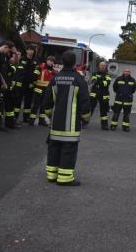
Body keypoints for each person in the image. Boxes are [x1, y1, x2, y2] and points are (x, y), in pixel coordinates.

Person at [42, 51, 91, 186]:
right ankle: (65, 178)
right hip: (71, 125)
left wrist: (49, 115)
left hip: (56, 123)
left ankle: (52, 175)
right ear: (74, 63)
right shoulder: (79, 80)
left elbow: (47, 100)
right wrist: (86, 118)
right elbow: (85, 102)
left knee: (54, 148)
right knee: (68, 150)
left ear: (62, 62)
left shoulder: (55, 78)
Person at [29, 56, 57, 126]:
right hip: (38, 89)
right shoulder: (40, 68)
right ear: (47, 61)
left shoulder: (53, 71)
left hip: (46, 91)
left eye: (52, 61)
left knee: (43, 107)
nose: (51, 62)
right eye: (50, 61)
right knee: (36, 106)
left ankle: (41, 121)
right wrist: (35, 84)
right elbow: (33, 77)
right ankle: (31, 120)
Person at [110, 67, 136, 132]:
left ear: (130, 73)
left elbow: (133, 90)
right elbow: (114, 87)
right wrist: (119, 93)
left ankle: (125, 127)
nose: (126, 72)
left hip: (128, 101)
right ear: (123, 72)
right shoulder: (118, 79)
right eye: (125, 71)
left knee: (126, 114)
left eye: (128, 71)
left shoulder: (133, 80)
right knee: (116, 114)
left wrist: (128, 94)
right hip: (119, 99)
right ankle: (113, 125)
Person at [90, 62, 112, 130]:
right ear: (99, 66)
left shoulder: (108, 75)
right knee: (90, 109)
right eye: (101, 65)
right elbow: (93, 81)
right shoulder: (94, 73)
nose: (102, 67)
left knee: (104, 110)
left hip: (103, 94)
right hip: (94, 94)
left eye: (103, 66)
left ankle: (104, 125)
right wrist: (101, 81)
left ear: (105, 67)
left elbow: (106, 83)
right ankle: (84, 122)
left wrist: (98, 82)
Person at [19, 46, 38, 123]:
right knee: (18, 100)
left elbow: (36, 71)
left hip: (30, 84)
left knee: (28, 101)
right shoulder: (23, 59)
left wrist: (33, 80)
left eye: (32, 50)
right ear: (26, 51)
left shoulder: (35, 61)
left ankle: (26, 118)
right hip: (22, 83)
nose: (30, 51)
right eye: (29, 50)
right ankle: (15, 117)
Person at [4, 48, 22, 129]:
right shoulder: (6, 62)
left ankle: (10, 123)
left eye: (18, 55)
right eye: (14, 55)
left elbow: (16, 62)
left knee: (10, 108)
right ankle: (7, 123)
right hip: (5, 88)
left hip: (12, 88)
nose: (15, 57)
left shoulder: (13, 64)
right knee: (6, 107)